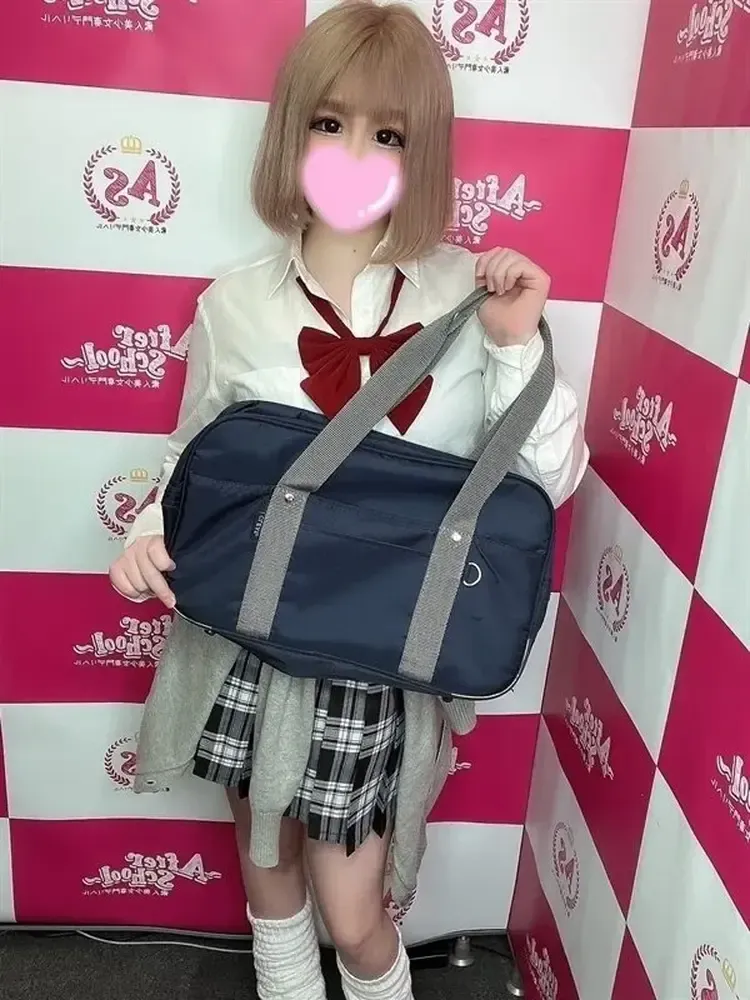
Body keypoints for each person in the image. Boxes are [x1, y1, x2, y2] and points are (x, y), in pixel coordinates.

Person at [108, 2, 589, 998]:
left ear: (426, 150)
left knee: (357, 912)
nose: (354, 153)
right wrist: (150, 528)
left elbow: (541, 486)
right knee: (266, 861)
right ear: (293, 129)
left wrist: (514, 344)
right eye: (330, 122)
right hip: (248, 629)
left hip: (381, 645)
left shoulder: (476, 294)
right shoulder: (235, 301)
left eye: (389, 133)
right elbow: (196, 454)